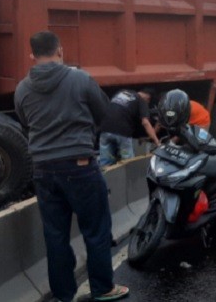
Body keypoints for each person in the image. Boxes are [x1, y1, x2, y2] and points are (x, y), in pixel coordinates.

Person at [13, 31, 129, 302]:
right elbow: (104, 113)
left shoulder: (22, 88)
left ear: (32, 55)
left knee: (55, 235)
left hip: (42, 169)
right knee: (96, 229)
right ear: (60, 50)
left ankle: (63, 295)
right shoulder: (80, 79)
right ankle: (102, 288)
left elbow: (26, 122)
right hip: (80, 166)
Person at [99, 88, 161, 167]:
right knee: (129, 163)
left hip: (105, 130)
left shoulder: (121, 92)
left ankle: (106, 178)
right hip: (122, 133)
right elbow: (145, 122)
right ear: (148, 99)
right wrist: (157, 142)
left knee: (105, 164)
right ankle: (129, 179)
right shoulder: (141, 100)